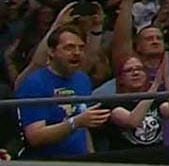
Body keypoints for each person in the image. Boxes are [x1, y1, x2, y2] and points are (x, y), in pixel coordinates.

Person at [15, 26, 110, 159]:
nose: (77, 53)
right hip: (47, 164)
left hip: (80, 160)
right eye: (69, 47)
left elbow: (84, 127)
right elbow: (35, 137)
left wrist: (91, 156)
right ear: (51, 51)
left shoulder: (83, 79)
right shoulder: (35, 83)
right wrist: (75, 122)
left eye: (81, 48)